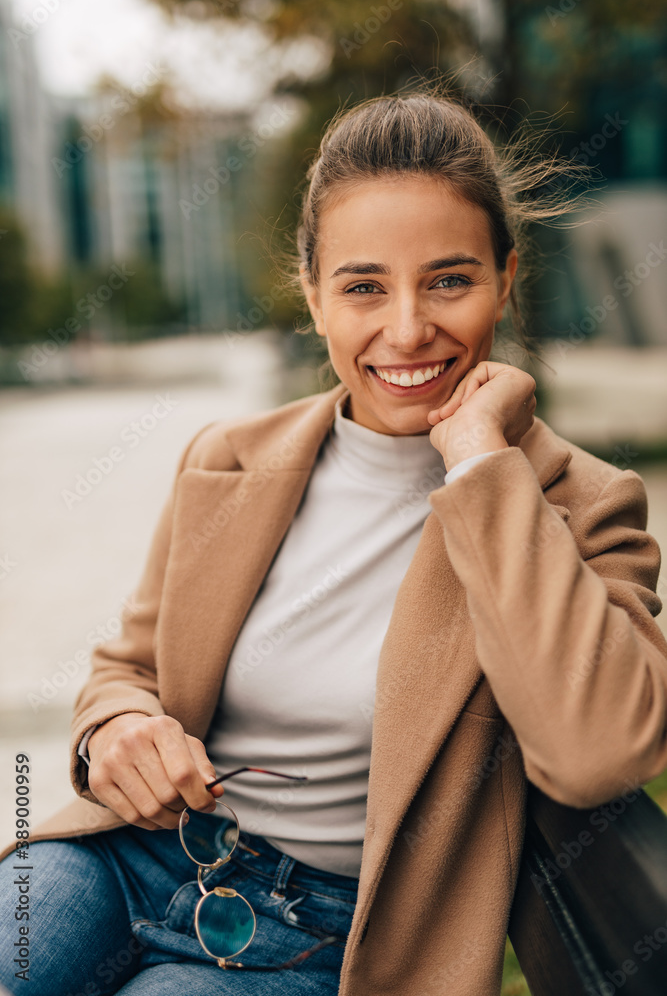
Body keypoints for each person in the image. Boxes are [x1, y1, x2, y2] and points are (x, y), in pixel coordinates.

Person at [2, 92, 667, 996]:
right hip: (132, 862)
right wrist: (115, 728)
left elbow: (596, 750)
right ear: (312, 297)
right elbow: (127, 667)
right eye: (363, 286)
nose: (405, 328)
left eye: (448, 279)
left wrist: (479, 466)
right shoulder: (226, 461)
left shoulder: (582, 505)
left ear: (506, 279)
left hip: (324, 935)